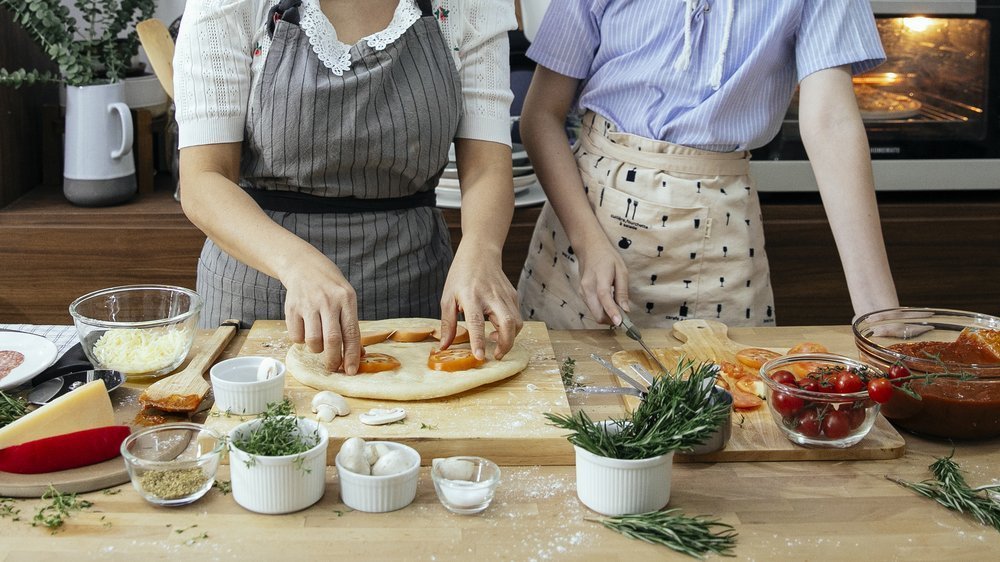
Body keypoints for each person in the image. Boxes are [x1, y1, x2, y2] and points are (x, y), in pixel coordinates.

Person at [173, 0, 522, 374]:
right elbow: (203, 178)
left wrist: (482, 249)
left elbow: (487, 166)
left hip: (411, 294)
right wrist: (296, 263)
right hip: (259, 301)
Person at [516, 0, 899, 330]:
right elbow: (540, 116)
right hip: (584, 226)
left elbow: (831, 123)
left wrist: (880, 314)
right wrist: (587, 243)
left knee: (730, 407)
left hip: (721, 239)